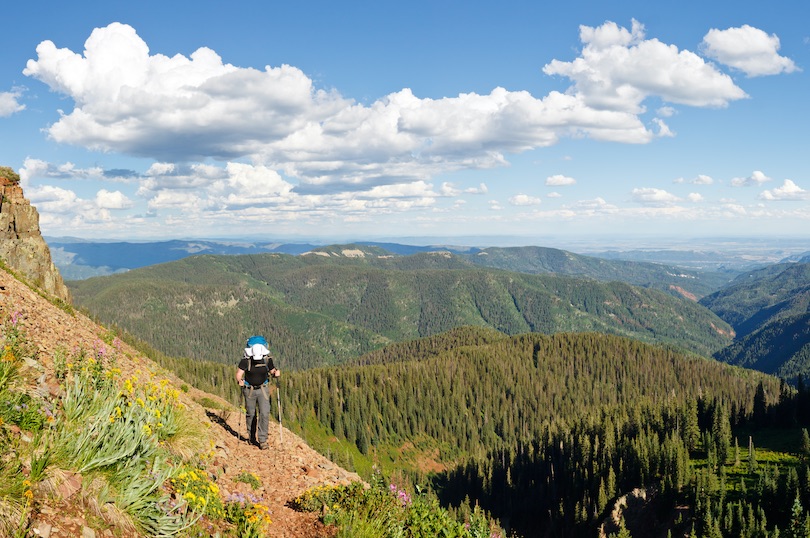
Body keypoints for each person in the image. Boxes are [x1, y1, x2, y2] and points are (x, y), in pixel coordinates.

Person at [235, 336, 281, 449]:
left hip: (261, 389)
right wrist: (239, 380)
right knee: (251, 413)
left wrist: (275, 372)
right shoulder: (246, 361)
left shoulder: (266, 360)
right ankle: (252, 437)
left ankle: (262, 440)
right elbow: (239, 374)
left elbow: (272, 370)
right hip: (250, 389)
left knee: (264, 413)